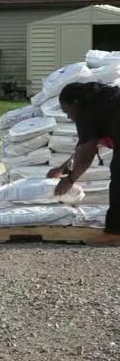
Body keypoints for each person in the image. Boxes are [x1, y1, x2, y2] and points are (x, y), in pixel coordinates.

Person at [51, 82, 120, 246]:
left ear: (75, 104)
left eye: (67, 111)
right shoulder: (99, 99)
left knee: (118, 179)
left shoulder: (86, 112)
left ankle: (115, 233)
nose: (68, 117)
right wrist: (64, 168)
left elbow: (87, 152)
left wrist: (70, 180)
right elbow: (84, 144)